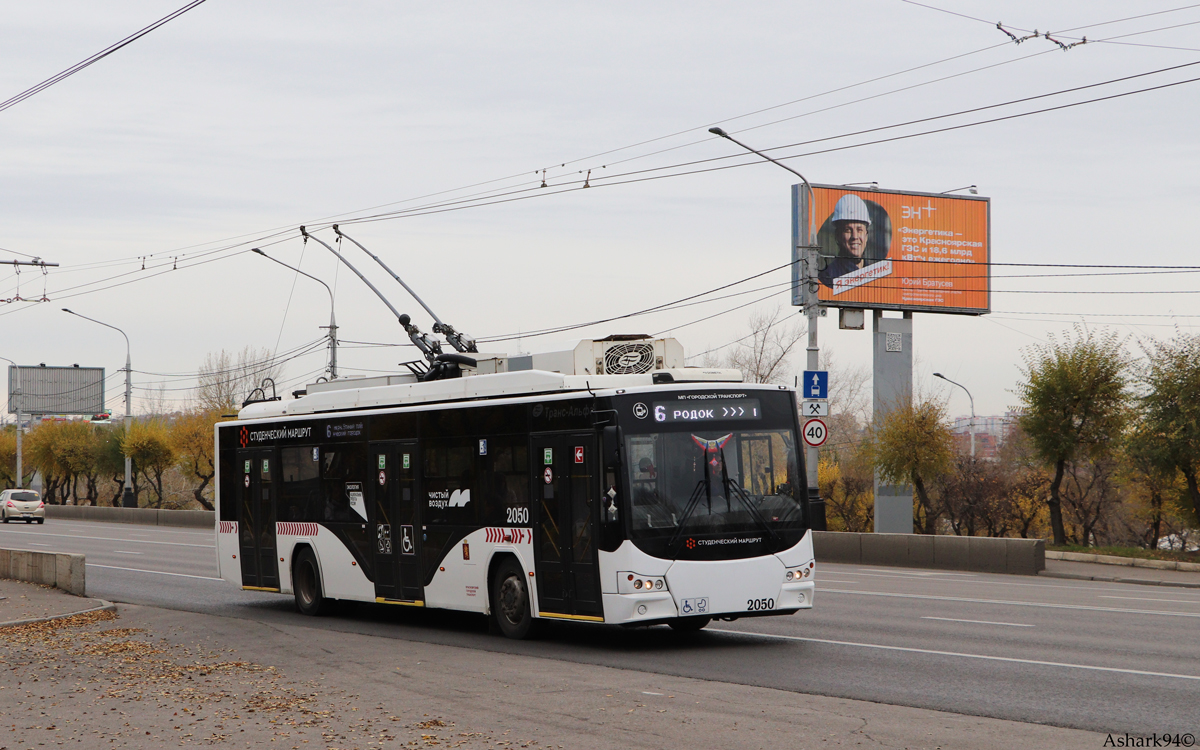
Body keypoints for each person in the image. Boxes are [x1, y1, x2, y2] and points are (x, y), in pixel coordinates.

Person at [818, 194, 873, 288]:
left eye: (859, 230)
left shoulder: (878, 276)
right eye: (847, 230)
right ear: (838, 236)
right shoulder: (827, 278)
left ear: (866, 235)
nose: (855, 236)